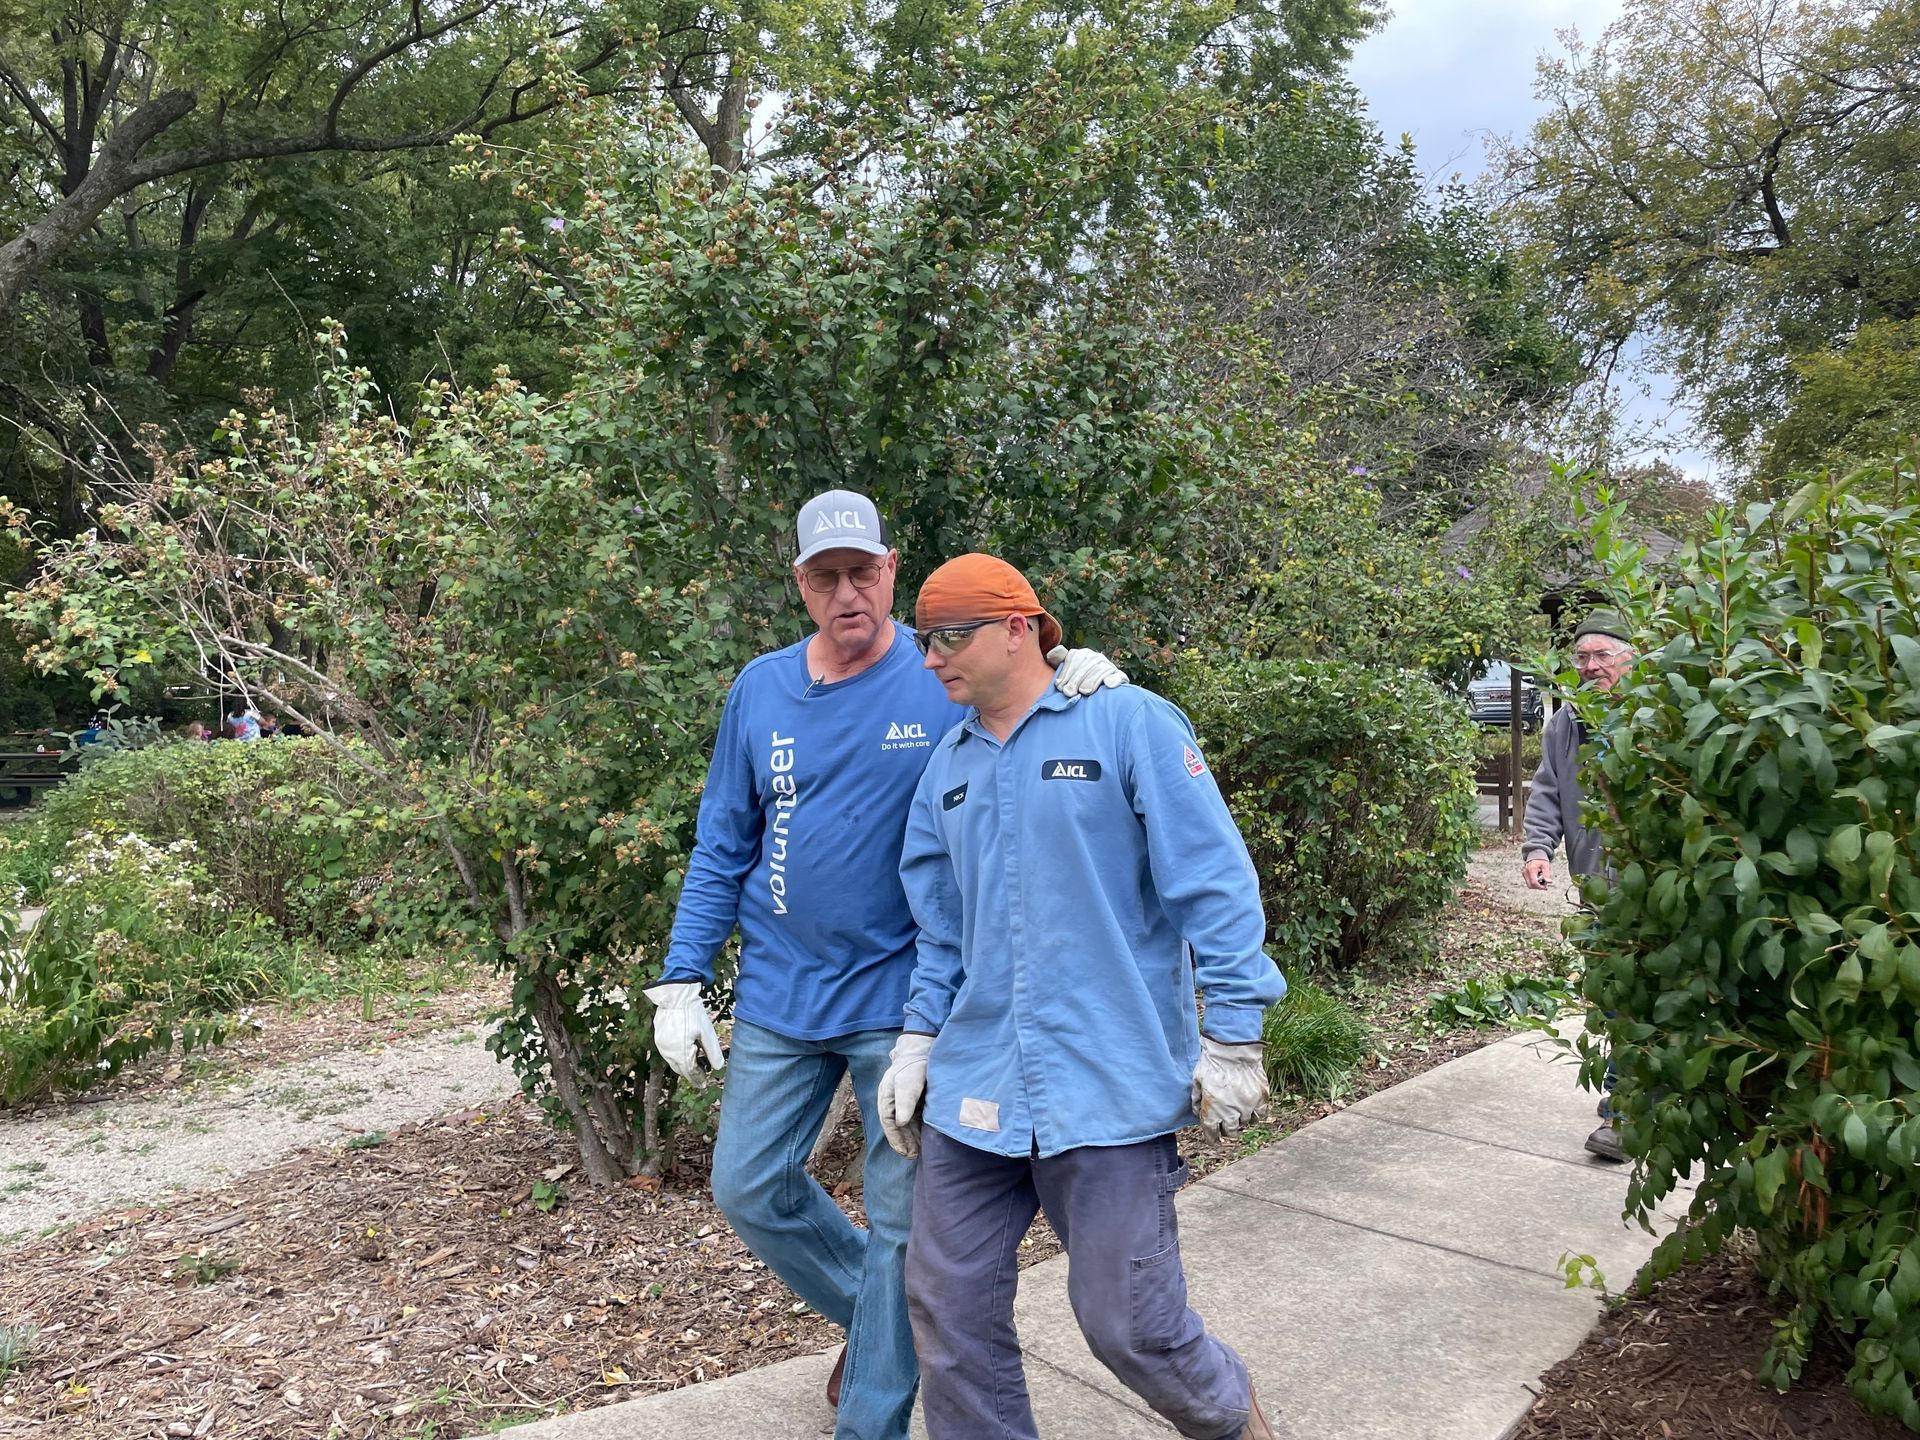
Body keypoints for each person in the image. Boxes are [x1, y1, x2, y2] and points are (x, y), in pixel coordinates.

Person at [643, 492, 1125, 1440]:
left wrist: (1075, 671)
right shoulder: (760, 689)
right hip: (783, 989)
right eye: (826, 576)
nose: (847, 591)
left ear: (891, 571)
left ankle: (869, 1421)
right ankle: (880, 1325)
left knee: (906, 1226)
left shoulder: (934, 667)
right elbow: (722, 841)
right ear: (801, 587)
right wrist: (682, 973)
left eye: (863, 572)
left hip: (906, 999)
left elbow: (1014, 683)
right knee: (748, 1187)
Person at [879, 553, 1285, 1440]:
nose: (933, 657)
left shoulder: (1128, 725)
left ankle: (1232, 1420)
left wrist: (1236, 1034)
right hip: (976, 1085)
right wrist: (917, 1041)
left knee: (1129, 1324)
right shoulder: (946, 769)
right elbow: (941, 931)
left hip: (1105, 1085)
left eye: (951, 636)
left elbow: (1213, 884)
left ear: (1020, 627)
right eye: (922, 640)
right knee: (947, 1310)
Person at [1522, 609, 1637, 1161]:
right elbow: (1546, 792)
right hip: (1594, 888)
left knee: (1638, 996)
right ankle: (1627, 1085)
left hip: (1653, 887)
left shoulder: (1656, 718)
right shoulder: (1566, 723)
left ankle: (1626, 1111)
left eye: (1603, 656)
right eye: (1583, 657)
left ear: (1629, 658)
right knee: (1610, 993)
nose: (1592, 666)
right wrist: (1538, 848)